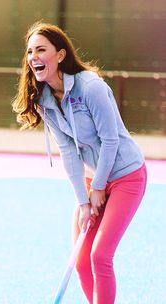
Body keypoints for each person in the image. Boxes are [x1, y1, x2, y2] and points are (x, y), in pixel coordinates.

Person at [12, 21, 147, 304]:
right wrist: (84, 201)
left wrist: (99, 187)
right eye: (29, 52)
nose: (33, 57)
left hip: (125, 175)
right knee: (82, 260)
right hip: (92, 178)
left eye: (41, 50)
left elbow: (110, 141)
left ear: (60, 55)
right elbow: (68, 151)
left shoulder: (91, 88)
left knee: (100, 256)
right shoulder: (44, 99)